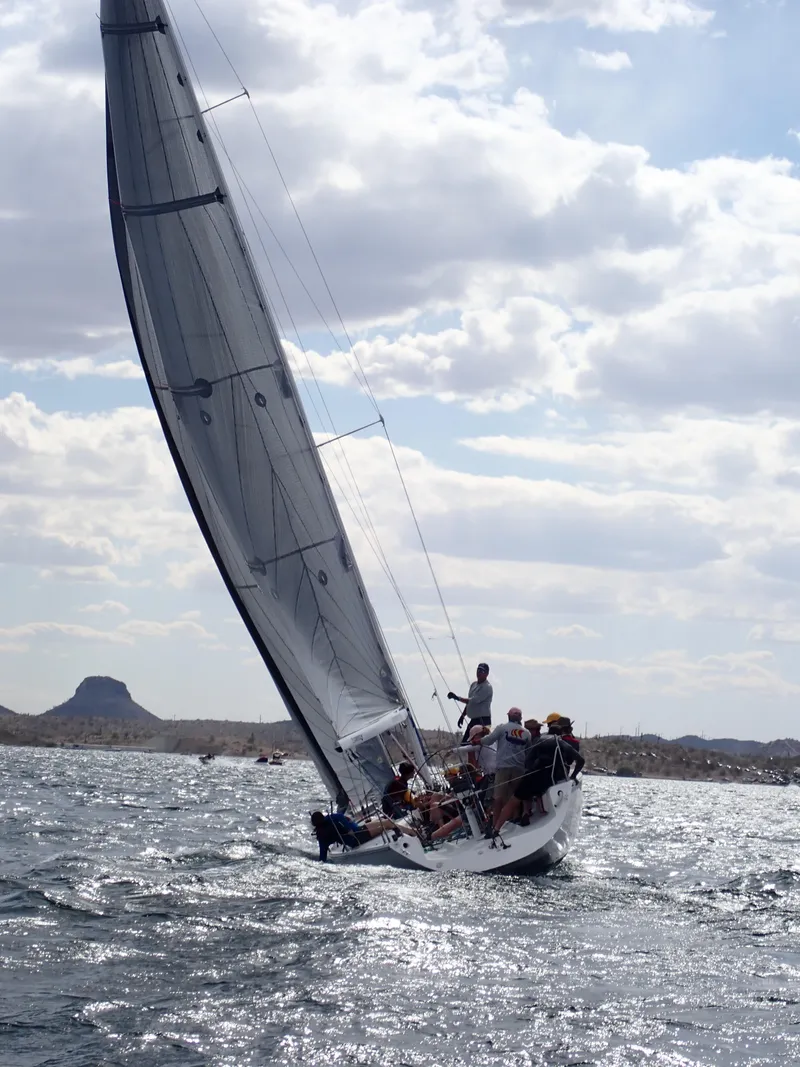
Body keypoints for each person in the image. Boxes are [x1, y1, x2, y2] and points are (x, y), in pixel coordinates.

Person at [471, 707, 530, 830]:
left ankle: (495, 825)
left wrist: (477, 741)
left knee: (498, 797)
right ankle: (517, 818)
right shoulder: (527, 733)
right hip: (519, 768)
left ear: (508, 715)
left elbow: (488, 740)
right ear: (520, 717)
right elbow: (528, 751)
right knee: (516, 796)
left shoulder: (502, 728)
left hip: (503, 768)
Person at [310, 811, 416, 862]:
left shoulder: (321, 835)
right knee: (388, 823)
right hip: (359, 835)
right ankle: (413, 833)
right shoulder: (334, 818)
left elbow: (322, 855)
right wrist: (349, 829)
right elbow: (345, 820)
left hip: (355, 839)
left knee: (384, 822)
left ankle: (411, 832)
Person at [448, 663, 493, 742]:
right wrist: (462, 716)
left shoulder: (487, 687)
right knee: (465, 743)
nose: (479, 672)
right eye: (478, 670)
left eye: (482, 671)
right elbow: (469, 703)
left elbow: (473, 700)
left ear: (486, 674)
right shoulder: (473, 685)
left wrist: (457, 698)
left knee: (479, 744)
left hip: (483, 720)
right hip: (474, 720)